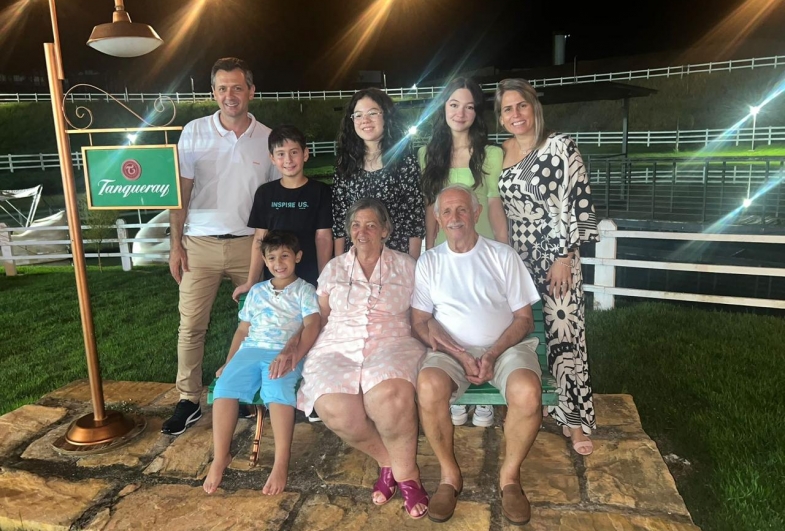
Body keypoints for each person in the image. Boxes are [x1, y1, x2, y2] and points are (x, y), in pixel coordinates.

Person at [163, 57, 280, 436]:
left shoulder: (268, 137)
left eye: (238, 87)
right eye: (223, 88)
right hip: (199, 244)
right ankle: (189, 398)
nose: (230, 95)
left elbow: (276, 197)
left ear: (251, 91)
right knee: (191, 326)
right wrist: (175, 244)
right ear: (213, 92)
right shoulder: (194, 132)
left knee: (258, 325)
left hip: (251, 245)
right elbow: (180, 194)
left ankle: (245, 391)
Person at [413, 184, 542, 526]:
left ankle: (510, 480)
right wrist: (458, 353)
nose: (455, 218)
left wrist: (493, 353)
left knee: (528, 392)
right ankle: (449, 477)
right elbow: (420, 322)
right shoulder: (429, 262)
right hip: (450, 352)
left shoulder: (502, 256)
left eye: (462, 210)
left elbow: (524, 319)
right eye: (447, 212)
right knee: (427, 386)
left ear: (476, 214)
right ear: (438, 220)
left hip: (506, 346)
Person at [297, 198, 429, 519]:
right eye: (356, 225)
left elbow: (420, 317)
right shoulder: (335, 268)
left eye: (371, 225)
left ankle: (407, 474)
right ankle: (389, 461)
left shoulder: (407, 266)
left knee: (389, 398)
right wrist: (296, 351)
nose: (362, 232)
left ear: (385, 230)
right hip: (338, 344)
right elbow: (321, 316)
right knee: (333, 406)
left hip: (392, 341)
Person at [495, 78, 600, 455]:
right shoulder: (500, 153)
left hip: (555, 257)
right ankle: (527, 405)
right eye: (507, 109)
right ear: (501, 116)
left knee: (564, 336)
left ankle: (574, 422)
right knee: (521, 332)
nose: (515, 114)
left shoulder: (559, 146)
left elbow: (578, 202)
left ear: (534, 107)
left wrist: (563, 257)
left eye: (521, 105)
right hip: (514, 259)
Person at [419, 77, 508, 429]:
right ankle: (457, 387)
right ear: (444, 109)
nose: (462, 112)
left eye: (470, 106)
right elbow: (431, 209)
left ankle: (485, 386)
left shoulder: (492, 153)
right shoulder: (428, 154)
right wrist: (428, 249)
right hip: (445, 251)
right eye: (454, 104)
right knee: (448, 315)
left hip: (483, 248)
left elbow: (495, 206)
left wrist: (505, 250)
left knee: (486, 313)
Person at [203, 231, 321, 496]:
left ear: (297, 257)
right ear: (265, 262)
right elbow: (243, 331)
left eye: (285, 256)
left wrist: (296, 355)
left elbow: (312, 324)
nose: (279, 263)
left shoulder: (305, 290)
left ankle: (281, 462)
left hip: (285, 352)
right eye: (272, 258)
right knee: (223, 389)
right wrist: (229, 362)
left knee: (277, 391)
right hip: (250, 350)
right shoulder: (257, 291)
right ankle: (221, 457)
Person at [233, 124, 332, 294]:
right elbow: (259, 239)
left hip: (310, 278)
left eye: (294, 152)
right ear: (272, 158)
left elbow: (323, 237)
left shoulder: (321, 191)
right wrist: (251, 281)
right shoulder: (265, 193)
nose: (288, 160)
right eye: (281, 154)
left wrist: (323, 281)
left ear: (305, 154)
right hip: (275, 277)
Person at [332, 88, 425, 258]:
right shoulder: (345, 164)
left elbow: (415, 219)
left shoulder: (404, 161)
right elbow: (340, 220)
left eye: (372, 113)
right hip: (356, 258)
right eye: (358, 115)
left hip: (396, 257)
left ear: (386, 116)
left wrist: (412, 265)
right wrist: (339, 264)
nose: (365, 120)